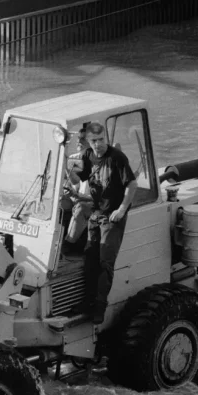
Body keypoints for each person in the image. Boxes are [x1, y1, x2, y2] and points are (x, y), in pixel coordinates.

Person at [69, 121, 137, 324]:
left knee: (105, 262)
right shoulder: (87, 156)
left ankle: (100, 307)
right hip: (96, 214)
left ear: (105, 139)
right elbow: (75, 180)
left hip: (112, 217)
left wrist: (121, 209)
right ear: (88, 141)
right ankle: (87, 302)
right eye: (93, 141)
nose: (97, 144)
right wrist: (68, 169)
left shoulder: (116, 158)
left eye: (100, 140)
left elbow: (131, 184)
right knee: (90, 260)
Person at [61, 123, 93, 257]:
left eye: (83, 139)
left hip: (94, 204)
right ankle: (56, 238)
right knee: (60, 201)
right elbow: (76, 181)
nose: (79, 141)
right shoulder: (76, 159)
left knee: (81, 208)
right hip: (80, 196)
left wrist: (76, 195)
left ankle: (68, 246)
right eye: (79, 138)